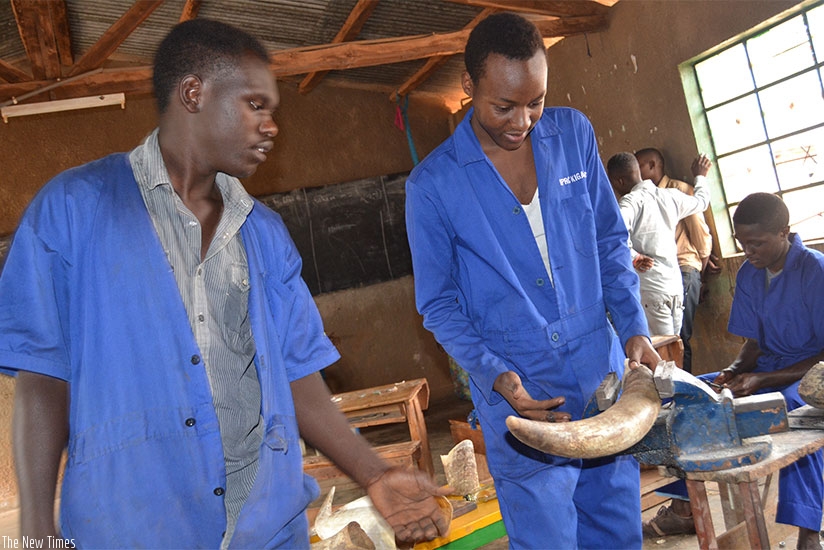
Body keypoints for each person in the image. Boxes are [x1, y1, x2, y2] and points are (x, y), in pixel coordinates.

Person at [0, 18, 449, 549]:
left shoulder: (263, 232)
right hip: (132, 528)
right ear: (194, 93)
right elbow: (41, 378)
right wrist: (35, 530)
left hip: (266, 527)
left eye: (273, 111)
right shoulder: (73, 209)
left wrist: (374, 473)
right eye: (255, 105)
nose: (272, 125)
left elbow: (298, 377)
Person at [405, 12, 662, 549]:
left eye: (536, 101)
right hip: (523, 392)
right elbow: (439, 304)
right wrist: (495, 374)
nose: (523, 120)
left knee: (617, 528)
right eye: (504, 106)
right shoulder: (432, 185)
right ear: (469, 86)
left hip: (601, 375)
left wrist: (633, 324)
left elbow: (609, 242)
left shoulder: (573, 135)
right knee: (546, 537)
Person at [642, 193, 824, 550]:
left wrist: (761, 381)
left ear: (784, 232)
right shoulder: (750, 273)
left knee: (795, 419)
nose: (748, 251)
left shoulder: (814, 270)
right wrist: (734, 370)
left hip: (811, 376)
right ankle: (684, 507)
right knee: (693, 395)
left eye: (756, 243)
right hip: (767, 368)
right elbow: (754, 342)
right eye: (742, 243)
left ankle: (808, 530)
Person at [606, 152, 712, 337]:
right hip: (674, 284)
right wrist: (701, 178)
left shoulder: (631, 202)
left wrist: (634, 256)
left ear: (618, 182)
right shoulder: (669, 196)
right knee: (674, 344)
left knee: (659, 352)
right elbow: (702, 202)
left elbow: (614, 235)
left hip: (652, 287)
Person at [636, 147, 716, 372]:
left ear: (652, 166)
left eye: (638, 164)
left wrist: (699, 273)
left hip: (683, 269)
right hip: (659, 277)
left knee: (679, 338)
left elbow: (700, 234)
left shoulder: (677, 190)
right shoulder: (640, 198)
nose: (635, 169)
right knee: (663, 339)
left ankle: (684, 388)